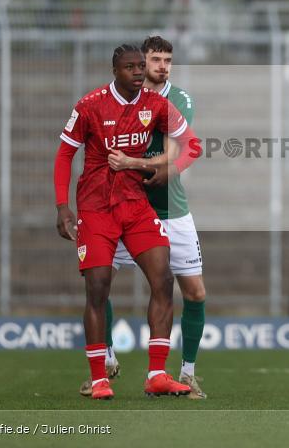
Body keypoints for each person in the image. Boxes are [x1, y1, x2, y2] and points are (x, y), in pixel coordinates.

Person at [54, 44, 201, 399]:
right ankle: (99, 377)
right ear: (115, 70)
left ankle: (157, 374)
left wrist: (168, 168)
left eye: (140, 66)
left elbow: (190, 142)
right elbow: (64, 154)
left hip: (136, 207)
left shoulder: (155, 105)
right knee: (98, 287)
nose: (138, 72)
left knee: (164, 280)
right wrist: (62, 207)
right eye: (130, 67)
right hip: (97, 208)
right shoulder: (90, 105)